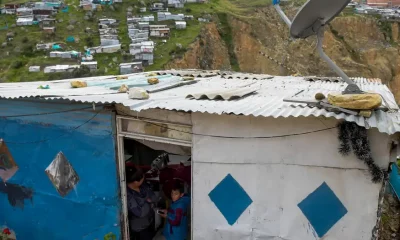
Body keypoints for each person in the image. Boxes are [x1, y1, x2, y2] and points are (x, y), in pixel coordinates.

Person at [126, 165, 157, 240]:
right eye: (142, 178)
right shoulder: (128, 195)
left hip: (149, 221)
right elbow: (140, 213)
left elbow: (154, 197)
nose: (144, 179)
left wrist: (148, 203)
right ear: (136, 182)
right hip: (140, 229)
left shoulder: (143, 186)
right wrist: (149, 203)